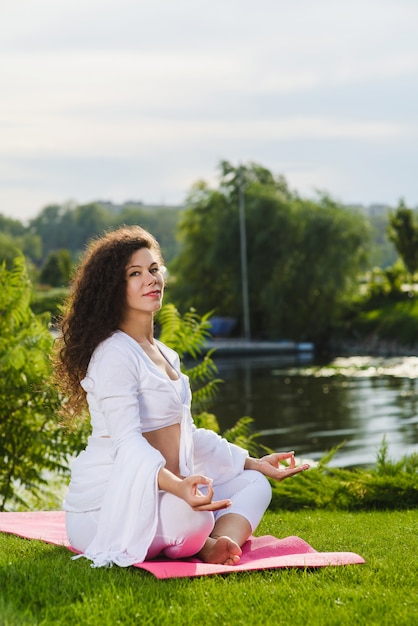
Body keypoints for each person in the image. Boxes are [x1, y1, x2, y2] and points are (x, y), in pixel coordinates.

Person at [55, 225, 309, 568]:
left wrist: (253, 461)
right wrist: (178, 488)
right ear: (113, 288)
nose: (151, 279)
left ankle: (221, 545)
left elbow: (188, 435)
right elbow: (128, 445)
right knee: (194, 515)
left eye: (154, 269)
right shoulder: (114, 354)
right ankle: (203, 543)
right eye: (135, 273)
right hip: (108, 504)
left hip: (172, 493)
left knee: (254, 484)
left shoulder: (166, 354)